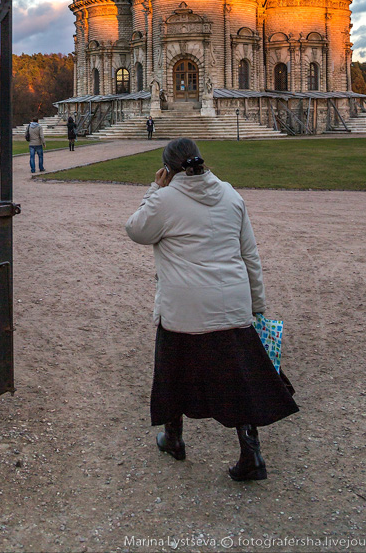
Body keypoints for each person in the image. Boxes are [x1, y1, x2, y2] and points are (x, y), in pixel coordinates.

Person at [125, 138, 298, 481]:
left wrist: (153, 189)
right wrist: (257, 307)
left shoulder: (165, 199)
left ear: (168, 169)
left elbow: (135, 229)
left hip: (184, 307)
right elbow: (250, 257)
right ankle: (252, 454)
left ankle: (174, 439)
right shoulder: (231, 195)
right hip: (232, 305)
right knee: (238, 381)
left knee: (173, 374)